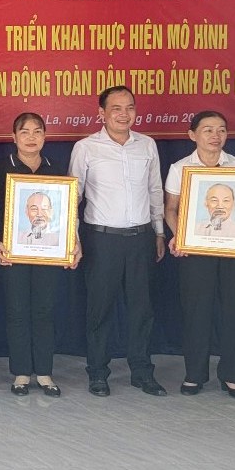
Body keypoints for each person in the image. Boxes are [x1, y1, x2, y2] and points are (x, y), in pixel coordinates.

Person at [69, 86, 167, 397]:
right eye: (116, 108)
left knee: (142, 309)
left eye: (130, 108)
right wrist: (73, 238)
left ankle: (142, 371)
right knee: (100, 309)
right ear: (102, 113)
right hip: (102, 240)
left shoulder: (147, 145)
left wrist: (159, 232)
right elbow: (73, 196)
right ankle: (98, 372)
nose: (124, 114)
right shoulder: (86, 148)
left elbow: (155, 191)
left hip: (141, 238)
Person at [162, 110, 235, 400]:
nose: (216, 136)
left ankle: (233, 376)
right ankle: (194, 374)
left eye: (222, 130)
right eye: (208, 130)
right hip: (196, 250)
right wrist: (180, 236)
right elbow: (171, 209)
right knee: (196, 311)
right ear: (193, 135)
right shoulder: (180, 168)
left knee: (234, 311)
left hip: (233, 249)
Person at [0, 112, 80, 397]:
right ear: (14, 137)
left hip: (48, 252)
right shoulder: (1, 168)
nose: (31, 137)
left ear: (45, 136)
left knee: (44, 311)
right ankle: (20, 372)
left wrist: (74, 242)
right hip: (12, 253)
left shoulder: (56, 170)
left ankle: (44, 372)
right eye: (25, 132)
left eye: (37, 131)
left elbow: (68, 212)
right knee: (16, 311)